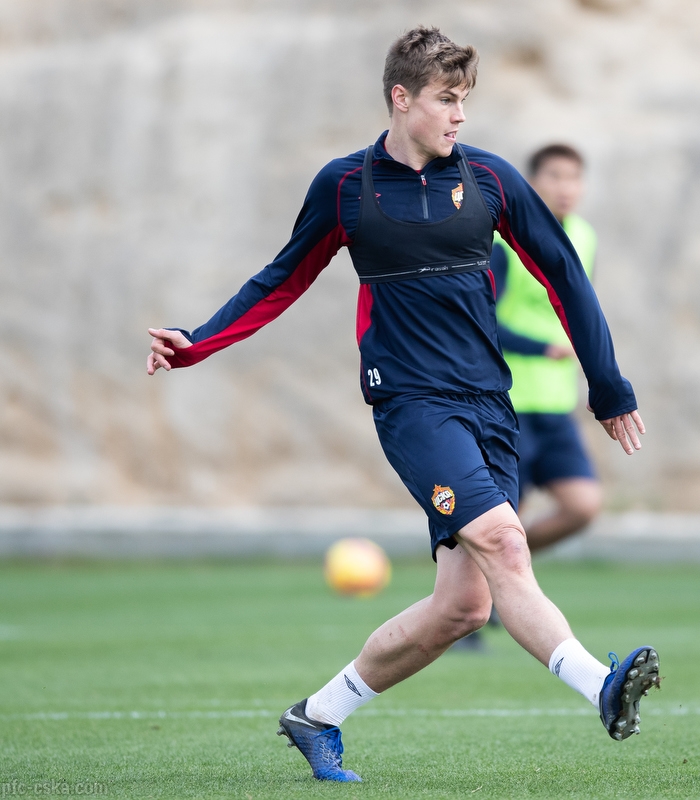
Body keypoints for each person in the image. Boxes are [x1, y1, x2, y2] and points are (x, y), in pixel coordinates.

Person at [145, 28, 659, 783]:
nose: (459, 114)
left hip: (490, 404)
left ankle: (316, 716)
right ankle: (601, 686)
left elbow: (564, 276)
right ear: (401, 97)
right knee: (505, 541)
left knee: (463, 609)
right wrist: (195, 342)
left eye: (464, 99)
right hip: (412, 405)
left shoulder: (489, 179)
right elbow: (282, 279)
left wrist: (607, 386)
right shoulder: (346, 186)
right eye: (446, 99)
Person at [494, 144, 602, 552]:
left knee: (583, 506)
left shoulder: (585, 237)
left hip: (557, 402)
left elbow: (582, 312)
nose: (565, 187)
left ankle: (506, 566)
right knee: (506, 520)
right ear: (532, 183)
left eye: (573, 178)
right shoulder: (504, 241)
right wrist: (541, 348)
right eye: (554, 176)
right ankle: (498, 572)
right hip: (510, 402)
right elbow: (482, 322)